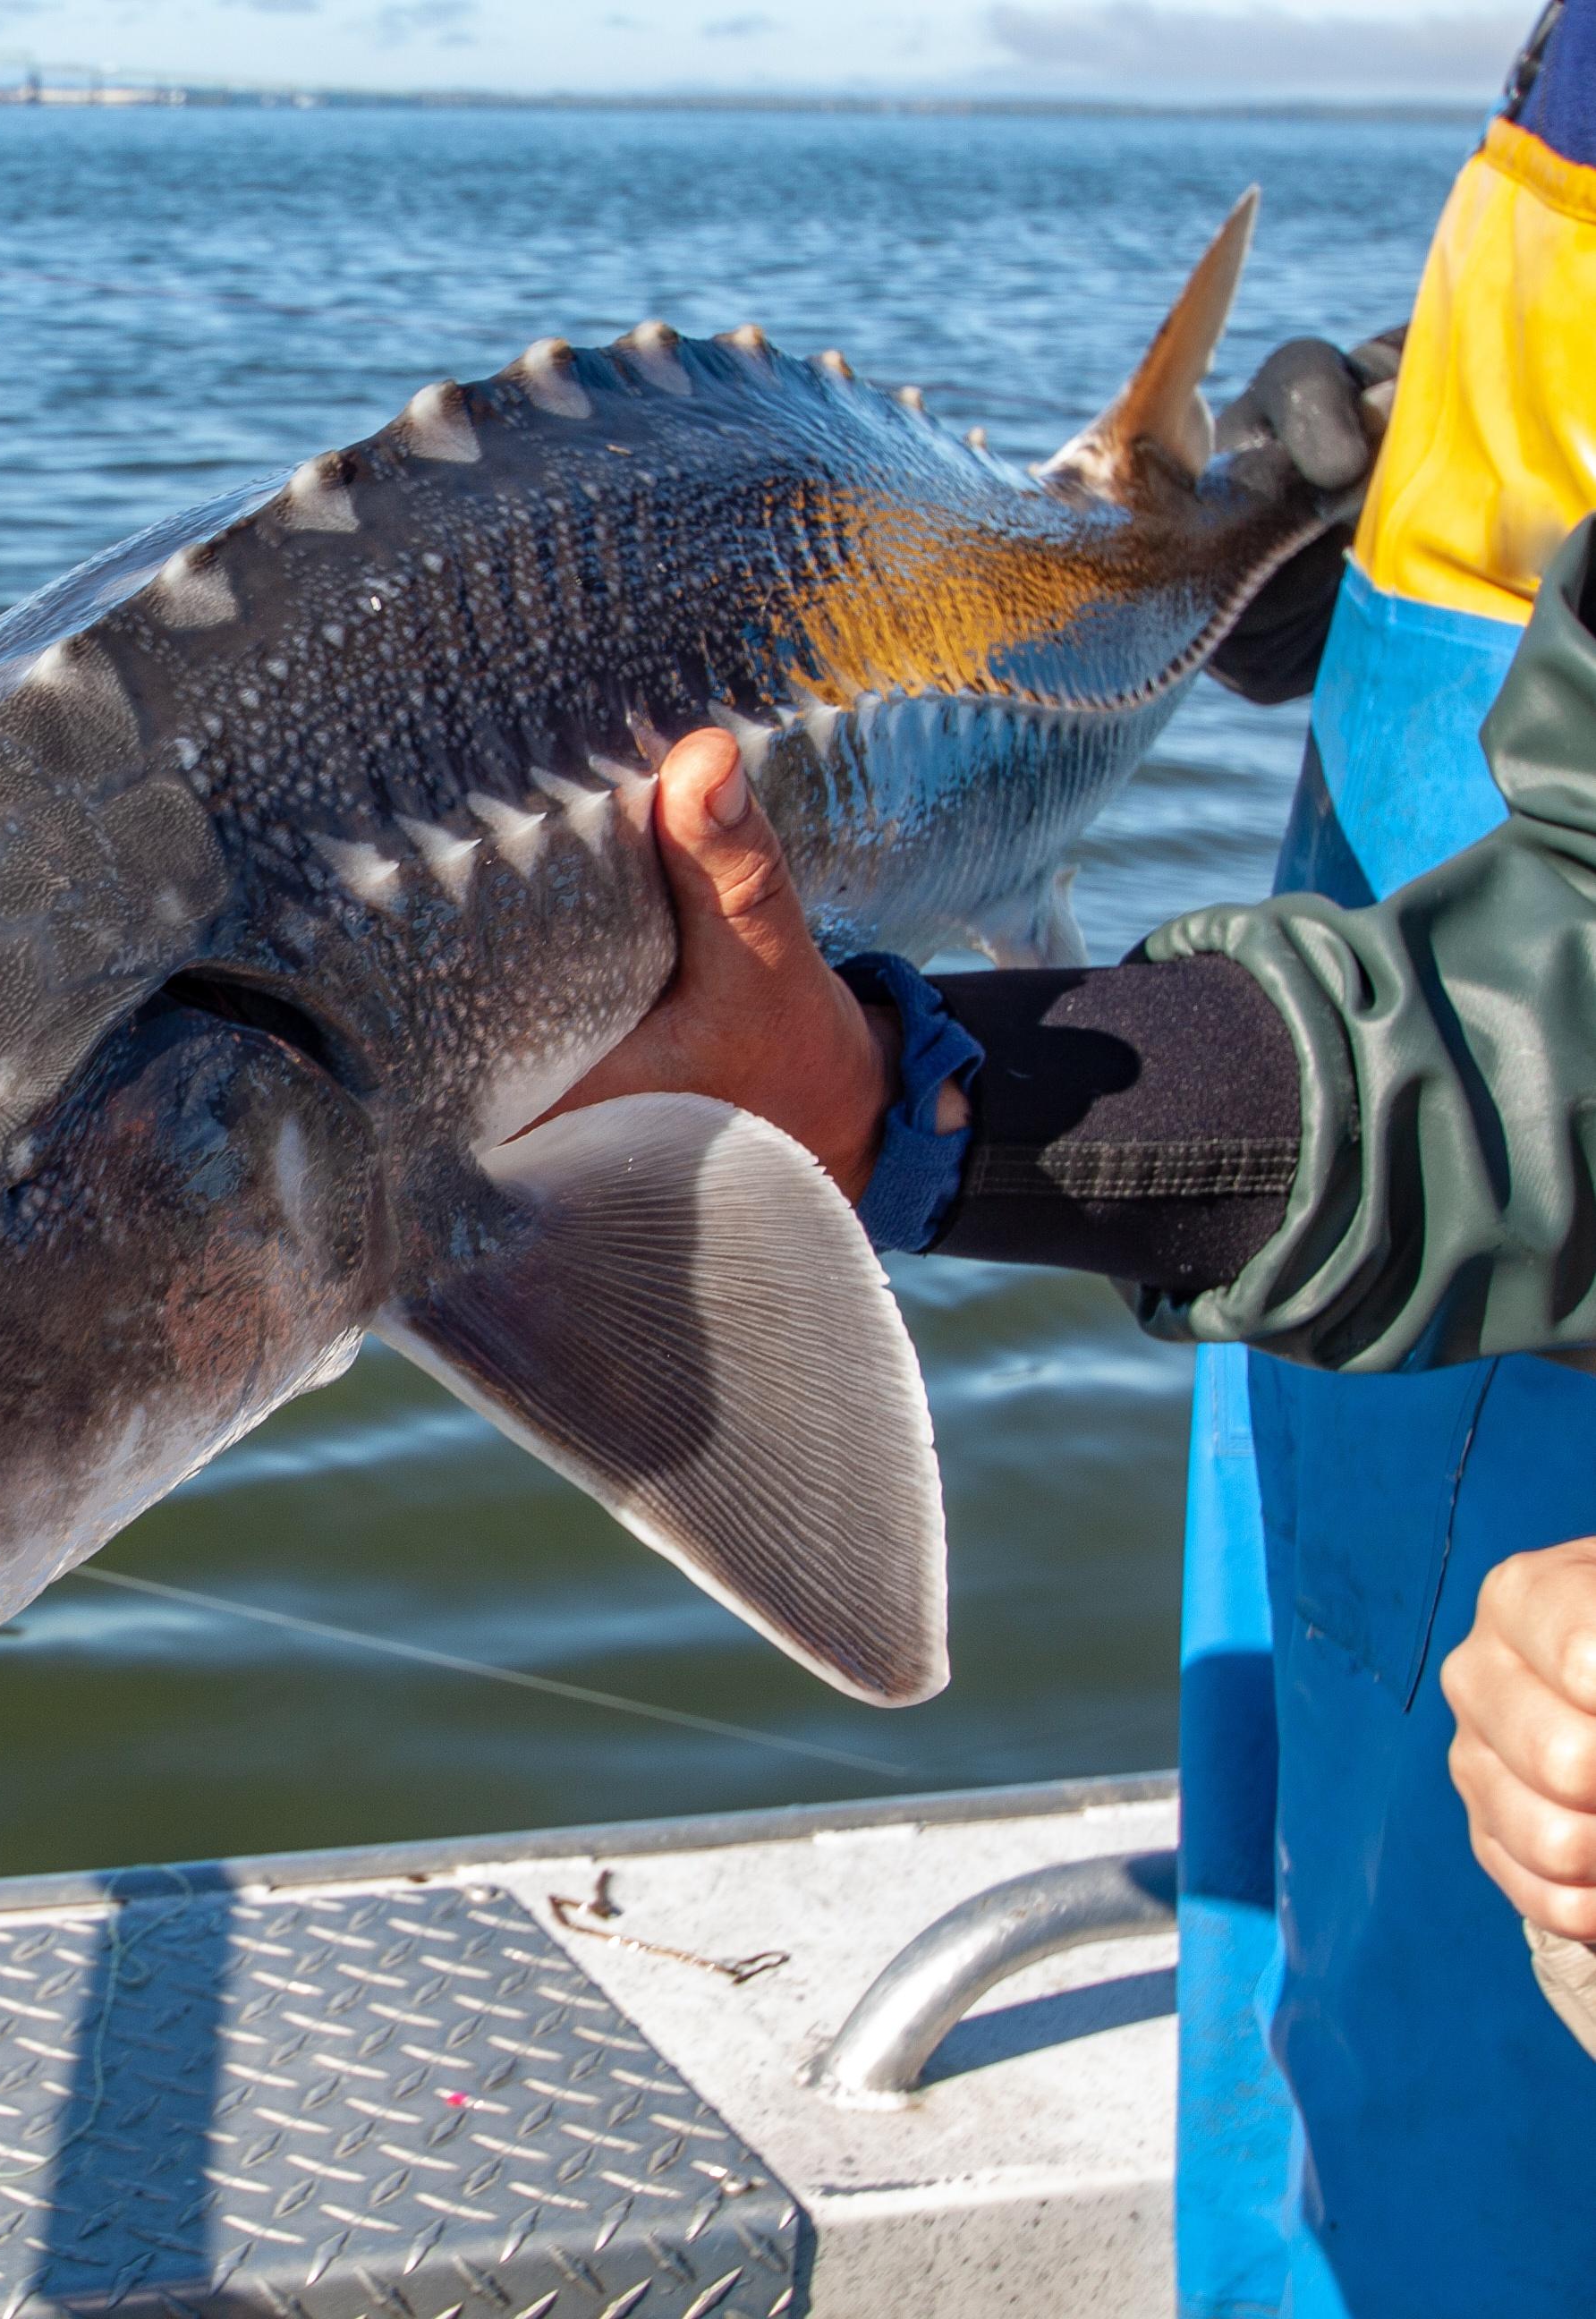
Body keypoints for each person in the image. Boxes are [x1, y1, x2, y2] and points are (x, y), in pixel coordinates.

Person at [552, 8, 1596, 2307]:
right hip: (1357, 1202)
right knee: (1300, 1976)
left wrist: (922, 1101)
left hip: (1513, 1261)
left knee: (1469, 2143)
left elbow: (1561, 1036)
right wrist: (1402, 469)